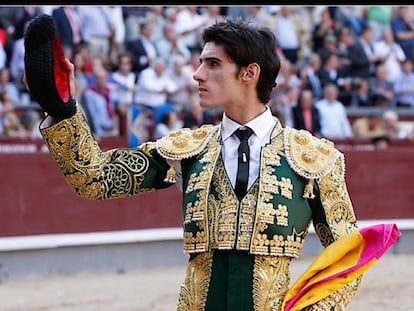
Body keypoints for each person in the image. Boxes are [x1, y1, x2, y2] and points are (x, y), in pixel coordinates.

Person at [24, 15, 366, 311]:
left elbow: (349, 257)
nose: (197, 74)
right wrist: (62, 109)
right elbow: (95, 178)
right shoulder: (187, 149)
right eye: (201, 62)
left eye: (213, 64)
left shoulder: (313, 159)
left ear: (249, 73)